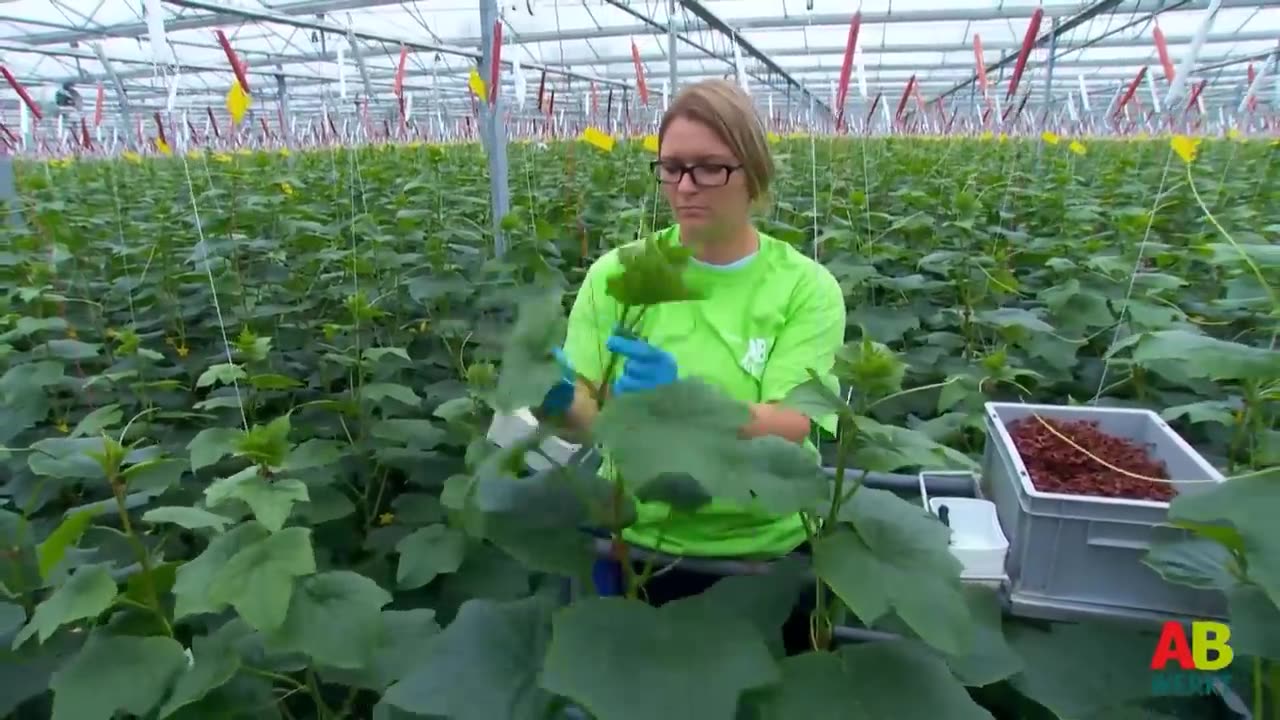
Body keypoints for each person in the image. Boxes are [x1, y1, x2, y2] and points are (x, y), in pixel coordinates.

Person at [536, 79, 845, 652]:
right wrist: (555, 400)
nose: (684, 186)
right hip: (635, 542)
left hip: (764, 552)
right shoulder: (619, 273)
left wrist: (688, 406)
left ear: (752, 173)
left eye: (708, 168)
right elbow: (590, 413)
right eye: (672, 167)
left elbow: (796, 421)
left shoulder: (805, 288)